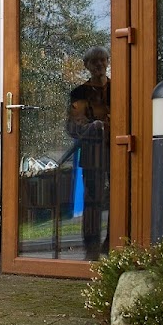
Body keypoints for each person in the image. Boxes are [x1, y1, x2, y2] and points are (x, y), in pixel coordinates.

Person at [66, 45, 110, 261]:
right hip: (93, 153)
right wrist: (92, 127)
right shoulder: (79, 93)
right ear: (86, 66)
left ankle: (113, 244)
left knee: (120, 196)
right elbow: (73, 126)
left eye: (103, 60)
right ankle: (91, 248)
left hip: (119, 150)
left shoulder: (119, 88)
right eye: (94, 61)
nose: (99, 64)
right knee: (93, 201)